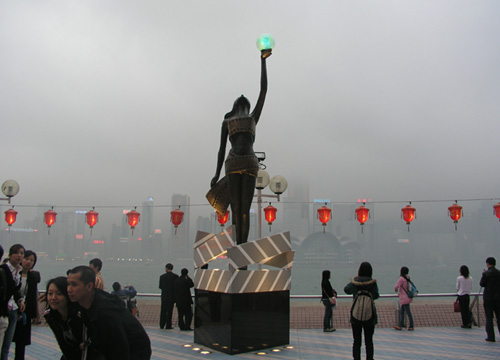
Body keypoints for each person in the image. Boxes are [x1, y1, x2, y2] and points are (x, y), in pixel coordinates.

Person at [207, 48, 272, 245]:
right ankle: (239, 247)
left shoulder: (249, 118)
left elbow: (263, 91)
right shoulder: (233, 121)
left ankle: (241, 247)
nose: (243, 96)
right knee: (239, 208)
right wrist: (216, 174)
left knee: (241, 208)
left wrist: (263, 61)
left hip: (241, 162)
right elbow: (220, 150)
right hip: (238, 162)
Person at [67, 266, 151, 359]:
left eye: (74, 285)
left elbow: (120, 348)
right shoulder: (85, 305)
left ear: (89, 286)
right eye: (68, 284)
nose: (69, 289)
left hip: (135, 352)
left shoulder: (105, 313)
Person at [43, 276, 103, 360]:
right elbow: (63, 344)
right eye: (50, 293)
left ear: (68, 295)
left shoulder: (81, 315)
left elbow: (89, 346)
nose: (53, 298)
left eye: (59, 293)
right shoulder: (50, 316)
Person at [344, 262, 379, 360]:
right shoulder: (372, 283)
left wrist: (355, 279)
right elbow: (376, 295)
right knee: (369, 341)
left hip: (356, 314)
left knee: (356, 341)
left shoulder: (355, 282)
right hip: (370, 315)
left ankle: (356, 358)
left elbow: (346, 290)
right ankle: (369, 358)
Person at [13, 250, 40, 360]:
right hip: (12, 310)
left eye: (31, 260)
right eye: (26, 259)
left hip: (25, 313)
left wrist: (33, 315)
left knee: (21, 342)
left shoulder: (32, 277)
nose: (29, 262)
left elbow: (33, 297)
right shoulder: (14, 274)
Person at [0, 244, 25, 360]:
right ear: (10, 255)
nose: (19, 256)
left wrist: (20, 300)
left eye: (22, 253)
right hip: (4, 310)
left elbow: (16, 291)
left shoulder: (18, 271)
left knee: (7, 344)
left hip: (14, 310)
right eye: (17, 253)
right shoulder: (3, 269)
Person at [480, 257, 500, 342]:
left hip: (488, 298)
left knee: (489, 317)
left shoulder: (486, 274)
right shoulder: (499, 273)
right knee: (499, 317)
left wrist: (483, 274)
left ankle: (491, 337)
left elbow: (482, 284)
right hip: (498, 298)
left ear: (487, 264)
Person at [394, 266, 415, 331]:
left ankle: (411, 325)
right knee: (402, 311)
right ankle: (400, 325)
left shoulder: (401, 279)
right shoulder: (407, 277)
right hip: (407, 297)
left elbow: (396, 286)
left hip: (404, 298)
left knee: (407, 312)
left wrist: (396, 290)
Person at [159, 263, 178, 329]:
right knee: (170, 311)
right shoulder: (175, 276)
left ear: (166, 268)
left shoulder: (162, 276)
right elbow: (176, 287)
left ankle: (162, 324)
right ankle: (168, 325)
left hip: (164, 296)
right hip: (171, 296)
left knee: (163, 310)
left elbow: (160, 287)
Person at [456, 265, 473, 329]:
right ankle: (469, 322)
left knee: (463, 310)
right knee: (467, 309)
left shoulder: (459, 278)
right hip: (467, 295)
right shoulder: (470, 278)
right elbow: (471, 287)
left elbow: (457, 288)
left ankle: (465, 323)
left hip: (461, 295)